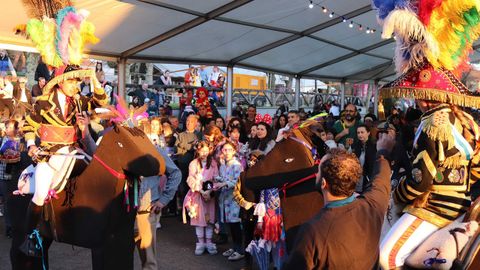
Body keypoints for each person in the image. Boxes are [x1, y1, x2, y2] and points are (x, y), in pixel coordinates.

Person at [20, 65, 107, 257]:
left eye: (77, 81)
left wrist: (93, 78)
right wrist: (31, 145)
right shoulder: (43, 102)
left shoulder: (79, 101)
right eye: (71, 80)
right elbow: (28, 125)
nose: (75, 85)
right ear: (60, 82)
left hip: (74, 152)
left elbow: (102, 102)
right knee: (41, 193)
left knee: (98, 171)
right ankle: (29, 237)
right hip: (49, 154)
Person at [283, 133, 395, 270]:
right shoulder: (373, 205)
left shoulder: (312, 230)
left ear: (323, 183)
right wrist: (383, 151)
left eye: (318, 171)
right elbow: (381, 178)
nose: (316, 174)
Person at [135, 145, 181, 270]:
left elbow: (175, 173)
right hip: (122, 212)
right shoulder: (117, 147)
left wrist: (163, 200)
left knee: (149, 261)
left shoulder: (152, 149)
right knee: (120, 258)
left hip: (146, 211)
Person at [183, 141, 219, 255]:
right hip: (197, 195)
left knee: (209, 219)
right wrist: (200, 189)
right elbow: (190, 178)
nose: (204, 153)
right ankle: (200, 242)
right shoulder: (193, 163)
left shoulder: (213, 163)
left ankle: (209, 242)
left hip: (210, 195)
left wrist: (209, 191)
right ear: (198, 151)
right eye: (201, 150)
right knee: (198, 219)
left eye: (206, 150)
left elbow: (216, 178)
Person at [216, 140, 245, 261]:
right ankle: (234, 247)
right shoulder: (223, 165)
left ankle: (240, 250)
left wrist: (223, 183)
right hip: (224, 199)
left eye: (229, 150)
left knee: (236, 224)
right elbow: (223, 177)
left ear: (234, 151)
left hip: (234, 199)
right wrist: (217, 180)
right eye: (224, 150)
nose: (226, 152)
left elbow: (238, 182)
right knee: (230, 225)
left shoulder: (237, 165)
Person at [351, 124, 377, 193]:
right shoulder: (355, 146)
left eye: (362, 132)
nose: (360, 135)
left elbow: (373, 164)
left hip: (369, 177)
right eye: (358, 133)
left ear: (368, 133)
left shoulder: (374, 146)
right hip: (357, 176)